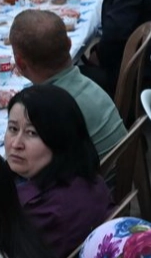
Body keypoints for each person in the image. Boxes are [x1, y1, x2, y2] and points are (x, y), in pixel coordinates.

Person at [5, 84, 112, 258]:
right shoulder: (83, 175)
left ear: (59, 139)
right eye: (13, 129)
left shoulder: (43, 211)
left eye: (32, 133)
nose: (16, 144)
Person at [9, 9, 126, 159]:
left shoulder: (50, 109)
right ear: (69, 45)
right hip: (113, 172)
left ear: (20, 63)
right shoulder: (88, 84)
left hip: (95, 179)